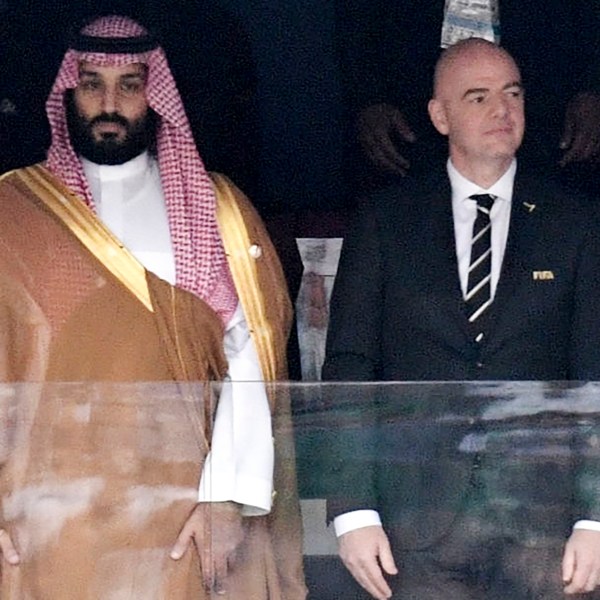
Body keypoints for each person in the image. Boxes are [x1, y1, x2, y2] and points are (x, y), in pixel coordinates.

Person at [0, 14, 306, 599]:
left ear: (155, 94)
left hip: (182, 519)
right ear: (69, 91)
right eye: (92, 84)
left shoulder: (217, 210)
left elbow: (249, 363)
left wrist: (227, 500)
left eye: (130, 85)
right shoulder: (13, 213)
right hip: (44, 523)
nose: (109, 103)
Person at [322, 38, 600, 599]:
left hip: (546, 527)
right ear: (439, 115)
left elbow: (595, 373)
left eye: (513, 93)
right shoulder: (385, 220)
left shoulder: (577, 223)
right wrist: (352, 512)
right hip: (415, 525)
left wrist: (596, 518)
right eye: (479, 97)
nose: (503, 111)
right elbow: (350, 370)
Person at [336, 0, 600, 195]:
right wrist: (369, 97)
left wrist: (592, 89)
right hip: (412, 102)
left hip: (543, 103)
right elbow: (357, 17)